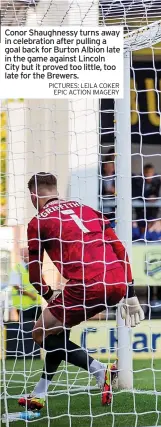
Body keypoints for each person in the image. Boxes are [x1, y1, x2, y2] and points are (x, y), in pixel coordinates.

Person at [18, 172, 144, 411]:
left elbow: (34, 274)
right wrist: (129, 291)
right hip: (116, 278)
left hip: (87, 283)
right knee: (58, 333)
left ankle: (100, 371)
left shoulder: (38, 221)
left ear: (34, 195)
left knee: (40, 333)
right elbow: (119, 248)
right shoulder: (88, 209)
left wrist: (47, 294)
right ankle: (39, 393)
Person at [9, 248, 42, 357]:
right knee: (26, 330)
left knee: (41, 328)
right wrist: (30, 294)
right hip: (23, 306)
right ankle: (26, 352)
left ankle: (39, 351)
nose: (29, 256)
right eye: (27, 254)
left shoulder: (35, 267)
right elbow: (15, 285)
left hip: (36, 305)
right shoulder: (16, 269)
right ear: (22, 255)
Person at [132, 163, 161, 230]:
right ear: (144, 173)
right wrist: (147, 198)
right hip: (140, 213)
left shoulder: (157, 182)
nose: (149, 175)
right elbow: (136, 194)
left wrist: (154, 197)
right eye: (148, 173)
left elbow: (156, 194)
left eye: (151, 173)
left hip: (152, 214)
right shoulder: (138, 182)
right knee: (141, 232)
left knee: (152, 232)